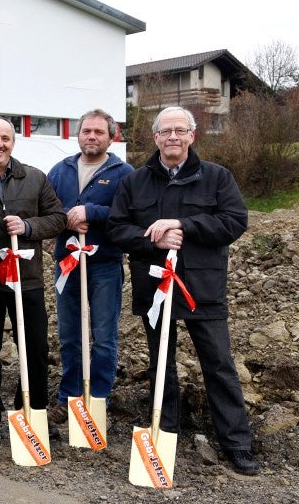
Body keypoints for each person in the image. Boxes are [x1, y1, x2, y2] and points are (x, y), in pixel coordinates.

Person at [107, 106, 258, 475]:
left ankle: (236, 442)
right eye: (165, 131)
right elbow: (117, 229)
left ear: (192, 136)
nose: (172, 137)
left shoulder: (217, 177)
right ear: (155, 137)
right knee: (161, 363)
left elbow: (235, 221)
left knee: (219, 364)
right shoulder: (135, 182)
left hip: (202, 289)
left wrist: (182, 225)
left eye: (180, 130)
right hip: (156, 287)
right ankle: (165, 428)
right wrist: (154, 242)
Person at [0, 118, 65, 442]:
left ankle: (33, 408)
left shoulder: (35, 178)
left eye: (5, 138)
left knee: (35, 347)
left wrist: (27, 228)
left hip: (27, 279)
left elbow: (57, 218)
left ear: (13, 142)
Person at [46, 109, 133, 423]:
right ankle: (68, 398)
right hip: (68, 262)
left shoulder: (123, 173)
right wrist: (69, 214)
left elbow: (129, 214)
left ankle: (98, 400)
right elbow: (48, 208)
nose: (92, 137)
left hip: (104, 265)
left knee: (104, 336)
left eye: (99, 132)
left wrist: (91, 212)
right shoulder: (61, 170)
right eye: (87, 131)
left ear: (111, 137)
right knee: (69, 335)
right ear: (78, 135)